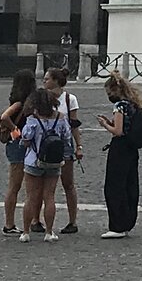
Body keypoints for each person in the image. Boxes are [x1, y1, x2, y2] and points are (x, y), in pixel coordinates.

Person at [98, 74, 142, 239]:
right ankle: (127, 221)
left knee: (114, 186)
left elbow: (118, 131)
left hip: (120, 148)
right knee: (129, 184)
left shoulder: (120, 106)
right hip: (131, 149)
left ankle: (117, 225)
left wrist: (105, 124)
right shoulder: (133, 105)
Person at [16, 87, 73, 241]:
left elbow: (26, 140)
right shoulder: (60, 118)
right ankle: (49, 232)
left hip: (34, 161)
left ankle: (26, 232)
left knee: (31, 197)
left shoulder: (33, 119)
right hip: (54, 162)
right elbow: (67, 138)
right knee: (50, 197)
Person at [0, 69, 37, 235]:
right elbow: (4, 117)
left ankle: (29, 220)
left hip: (20, 145)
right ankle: (9, 223)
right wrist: (15, 129)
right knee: (15, 185)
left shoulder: (22, 100)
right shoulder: (20, 103)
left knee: (23, 185)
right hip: (18, 145)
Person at [44, 66, 84, 236]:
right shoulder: (42, 97)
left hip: (64, 144)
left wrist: (79, 146)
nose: (44, 81)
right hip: (45, 144)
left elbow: (74, 125)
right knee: (43, 184)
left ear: (56, 81)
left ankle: (72, 221)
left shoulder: (70, 99)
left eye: (47, 78)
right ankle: (37, 220)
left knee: (68, 183)